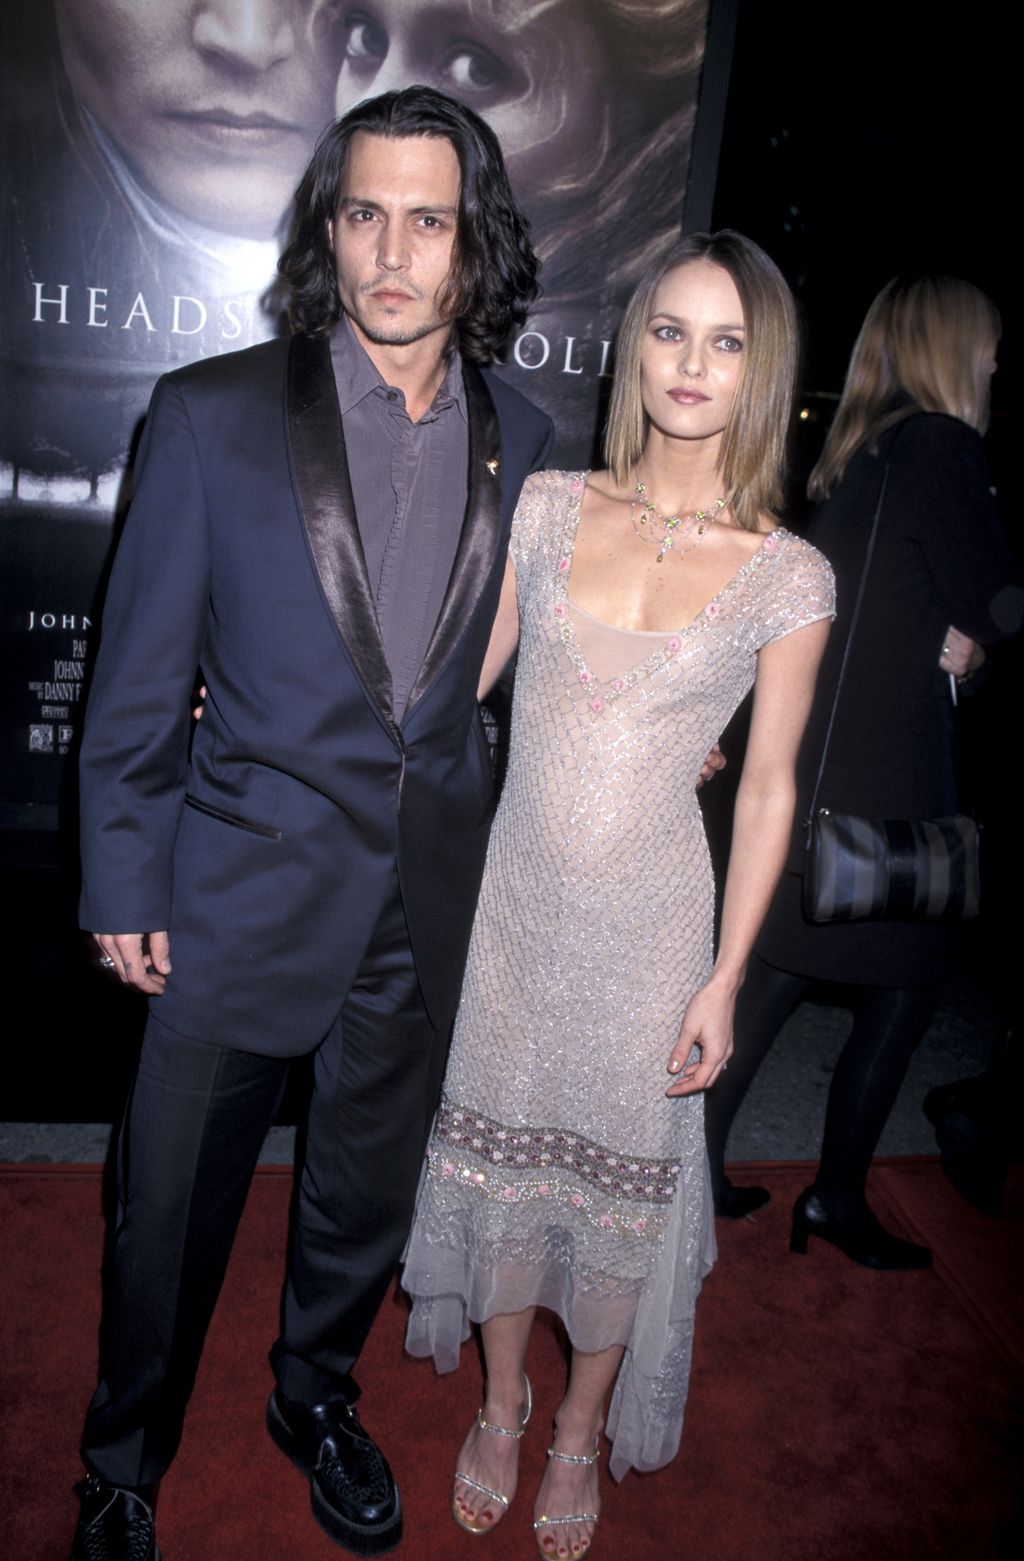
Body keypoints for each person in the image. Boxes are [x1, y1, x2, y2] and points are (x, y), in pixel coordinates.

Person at [71, 85, 553, 1561]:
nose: (392, 251)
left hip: (420, 900)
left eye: (429, 217)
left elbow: (516, 671)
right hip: (236, 890)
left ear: (475, 246)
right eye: (365, 213)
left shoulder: (526, 440)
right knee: (167, 1213)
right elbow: (137, 676)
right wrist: (120, 881)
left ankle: (314, 1396)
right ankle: (122, 1461)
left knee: (361, 1197)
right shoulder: (212, 416)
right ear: (326, 230)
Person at [401, 230, 835, 1556]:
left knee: (614, 1207)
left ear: (760, 374)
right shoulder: (547, 505)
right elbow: (439, 690)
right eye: (670, 331)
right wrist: (276, 704)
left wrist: (726, 977)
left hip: (655, 937)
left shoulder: (788, 575)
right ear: (633, 344)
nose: (691, 365)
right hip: (517, 927)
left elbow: (765, 790)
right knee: (502, 1174)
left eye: (726, 342)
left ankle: (577, 1429)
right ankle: (499, 1400)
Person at [705, 273, 1022, 1265]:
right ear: (948, 349)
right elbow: (1000, 597)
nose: (995, 363)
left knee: (776, 977)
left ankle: (693, 1172)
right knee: (908, 989)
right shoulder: (943, 445)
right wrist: (981, 635)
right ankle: (834, 1199)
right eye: (986, 345)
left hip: (817, 782)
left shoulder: (857, 457)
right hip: (889, 791)